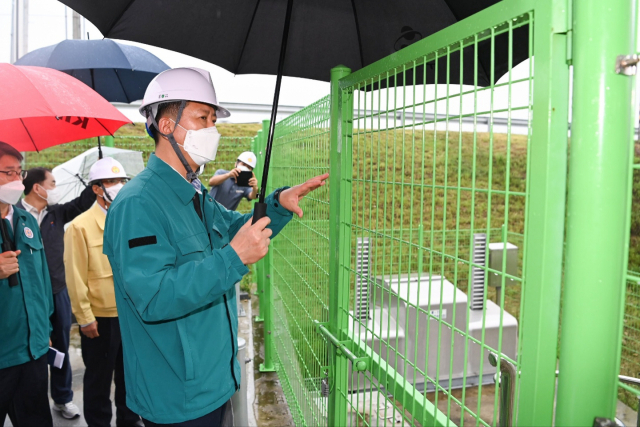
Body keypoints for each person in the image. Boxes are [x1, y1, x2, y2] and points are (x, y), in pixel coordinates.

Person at [103, 67, 328, 426]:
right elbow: (154, 296)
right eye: (202, 118)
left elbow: (236, 227)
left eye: (213, 119)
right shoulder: (138, 203)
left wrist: (277, 204)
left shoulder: (193, 193)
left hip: (213, 380)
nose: (213, 129)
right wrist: (233, 258)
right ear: (165, 125)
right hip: (177, 394)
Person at [64, 157, 142, 427]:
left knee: (130, 376)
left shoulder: (132, 218)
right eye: (111, 181)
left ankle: (129, 421)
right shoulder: (79, 226)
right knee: (98, 378)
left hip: (132, 313)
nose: (118, 186)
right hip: (101, 318)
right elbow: (75, 277)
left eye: (121, 180)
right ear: (96, 188)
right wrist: (85, 317)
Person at [17, 167, 96, 420]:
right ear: (37, 188)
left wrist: (96, 178)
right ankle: (28, 400)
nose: (55, 188)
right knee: (31, 349)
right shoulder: (14, 214)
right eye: (52, 183)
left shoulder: (56, 213)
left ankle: (62, 398)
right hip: (27, 295)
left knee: (60, 344)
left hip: (58, 290)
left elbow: (83, 202)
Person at [0, 142, 54, 427]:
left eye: (18, 173)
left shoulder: (24, 220)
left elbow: (42, 280)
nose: (17, 181)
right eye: (8, 173)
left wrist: (43, 327)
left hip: (32, 351)